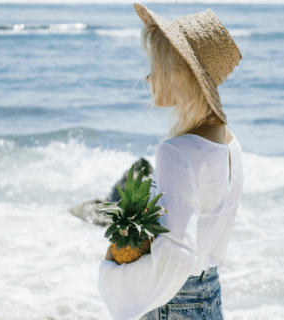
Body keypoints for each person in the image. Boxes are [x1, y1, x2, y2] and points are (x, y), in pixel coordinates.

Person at [98, 3, 244, 319]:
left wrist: (112, 273)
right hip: (209, 295)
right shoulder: (230, 144)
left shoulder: (176, 152)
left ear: (180, 74)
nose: (149, 77)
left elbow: (176, 255)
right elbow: (211, 243)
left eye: (156, 65)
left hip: (173, 304)